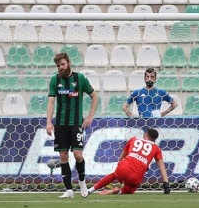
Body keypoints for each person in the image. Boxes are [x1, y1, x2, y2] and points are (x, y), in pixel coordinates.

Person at [46, 53, 98, 198]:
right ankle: (69, 190)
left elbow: (95, 96)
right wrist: (49, 121)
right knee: (63, 156)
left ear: (69, 63)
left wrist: (90, 116)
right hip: (60, 124)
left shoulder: (80, 78)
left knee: (78, 155)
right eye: (58, 66)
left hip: (76, 123)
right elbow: (51, 102)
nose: (60, 68)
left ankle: (82, 181)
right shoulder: (54, 80)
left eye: (62, 64)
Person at [81, 128, 170, 197]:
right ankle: (118, 191)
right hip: (136, 175)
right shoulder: (156, 148)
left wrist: (120, 167)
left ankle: (91, 190)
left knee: (113, 175)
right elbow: (161, 167)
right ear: (154, 139)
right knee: (131, 189)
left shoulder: (133, 139)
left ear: (145, 134)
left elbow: (121, 157)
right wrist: (166, 184)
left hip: (123, 168)